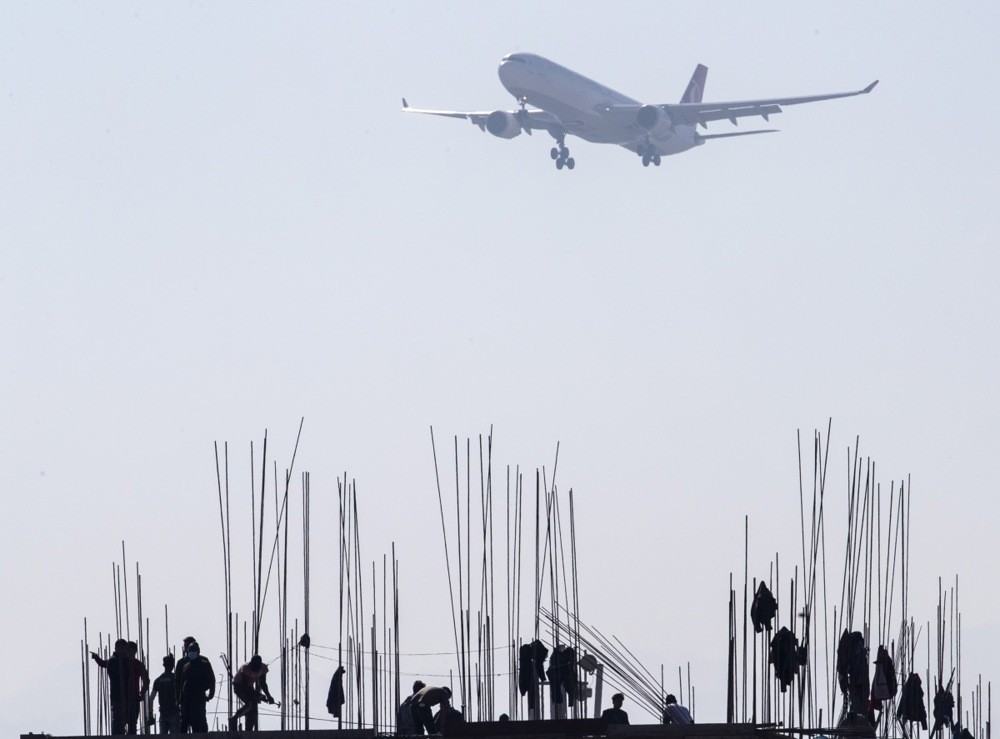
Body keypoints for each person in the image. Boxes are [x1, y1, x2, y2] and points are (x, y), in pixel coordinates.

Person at [91, 638, 150, 735]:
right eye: (125, 649)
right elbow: (104, 664)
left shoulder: (137, 664)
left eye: (128, 649)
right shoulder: (116, 661)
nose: (127, 652)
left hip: (133, 697)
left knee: (131, 723)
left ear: (134, 651)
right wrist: (97, 658)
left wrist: (142, 693)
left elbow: (146, 680)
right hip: (119, 697)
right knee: (119, 723)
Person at [228, 655, 275, 731]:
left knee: (253, 708)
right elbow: (244, 686)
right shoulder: (246, 668)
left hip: (249, 687)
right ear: (251, 664)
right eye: (254, 667)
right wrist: (257, 696)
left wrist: (268, 696)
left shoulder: (263, 668)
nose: (255, 669)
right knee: (250, 703)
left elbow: (263, 683)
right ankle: (234, 718)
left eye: (257, 667)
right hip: (239, 686)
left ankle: (249, 729)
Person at [177, 641, 215, 733]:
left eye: (193, 650)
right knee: (184, 723)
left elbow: (211, 680)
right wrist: (179, 699)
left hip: (199, 698)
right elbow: (180, 683)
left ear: (198, 651)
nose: (191, 652)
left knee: (199, 723)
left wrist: (211, 695)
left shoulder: (204, 664)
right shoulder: (185, 665)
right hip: (186, 700)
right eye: (190, 650)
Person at [149, 654, 181, 734]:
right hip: (174, 711)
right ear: (173, 665)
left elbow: (151, 698)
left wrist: (150, 713)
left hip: (163, 712)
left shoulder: (158, 680)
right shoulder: (176, 678)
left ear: (164, 665)